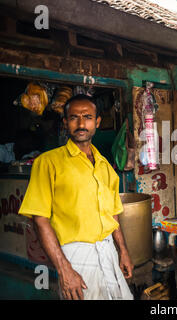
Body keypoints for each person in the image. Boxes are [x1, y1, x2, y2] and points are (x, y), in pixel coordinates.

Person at [18, 94, 134, 300]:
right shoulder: (48, 162)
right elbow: (40, 219)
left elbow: (113, 215)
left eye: (87, 117)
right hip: (76, 256)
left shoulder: (105, 166)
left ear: (97, 122)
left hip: (108, 252)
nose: (81, 124)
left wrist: (123, 251)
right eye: (74, 117)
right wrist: (64, 269)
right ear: (65, 123)